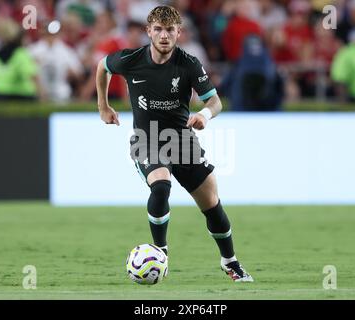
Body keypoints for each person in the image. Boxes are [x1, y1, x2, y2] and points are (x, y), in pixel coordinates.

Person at [95, 5, 253, 282]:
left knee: (212, 205)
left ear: (179, 32)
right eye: (158, 29)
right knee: (161, 185)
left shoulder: (189, 64)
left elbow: (214, 101)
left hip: (181, 139)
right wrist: (103, 106)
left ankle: (230, 262)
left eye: (170, 29)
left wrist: (204, 115)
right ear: (149, 31)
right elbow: (102, 67)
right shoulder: (131, 59)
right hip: (147, 139)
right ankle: (161, 252)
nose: (164, 35)